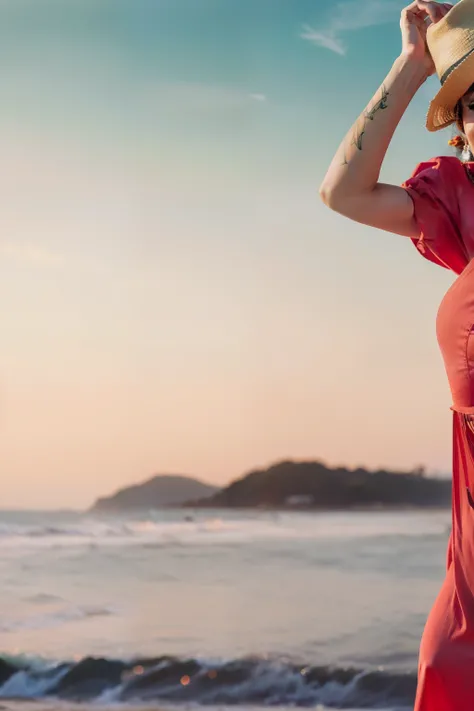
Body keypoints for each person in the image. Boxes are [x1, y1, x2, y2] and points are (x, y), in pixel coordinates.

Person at [320, 1, 474, 709]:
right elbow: (343, 193)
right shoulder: (461, 203)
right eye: (472, 100)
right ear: (465, 128)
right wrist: (412, 66)